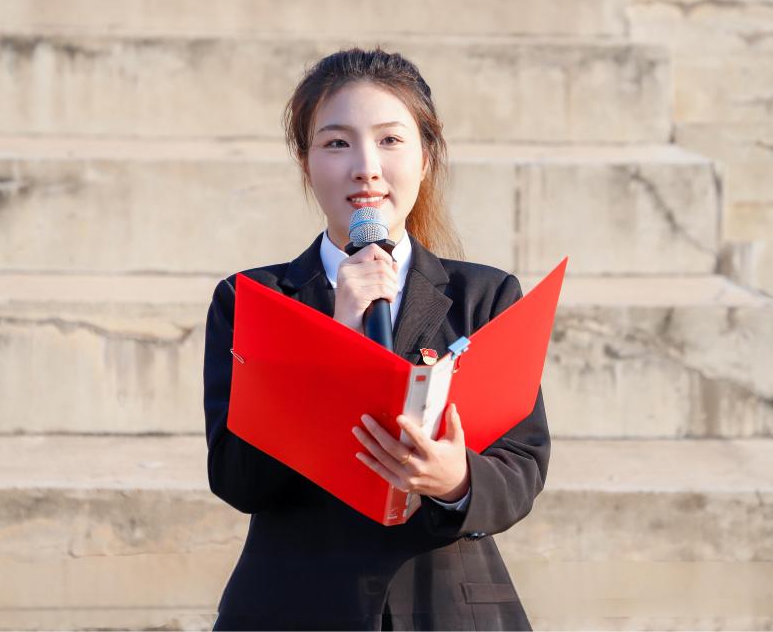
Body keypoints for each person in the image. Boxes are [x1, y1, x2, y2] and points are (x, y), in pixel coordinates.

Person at [203, 47, 551, 631]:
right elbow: (237, 478)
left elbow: (522, 464)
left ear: (426, 156)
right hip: (294, 606)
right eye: (337, 143)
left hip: (448, 608)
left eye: (390, 140)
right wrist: (333, 336)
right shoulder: (250, 300)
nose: (365, 167)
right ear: (305, 161)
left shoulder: (484, 296)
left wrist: (456, 481)